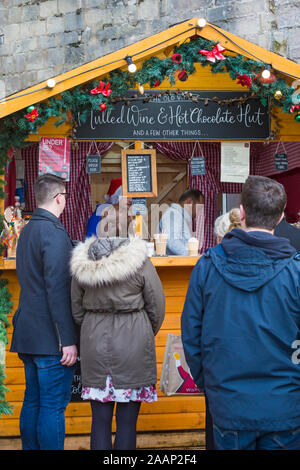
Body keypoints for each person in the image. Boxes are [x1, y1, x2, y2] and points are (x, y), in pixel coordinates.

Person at [181, 175, 300, 450]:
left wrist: (211, 386)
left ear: (242, 212)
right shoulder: (295, 271)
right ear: (281, 216)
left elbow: (191, 337)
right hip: (283, 406)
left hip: (230, 404)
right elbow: (193, 335)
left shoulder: (207, 267)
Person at [70, 235, 165, 450]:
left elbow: (76, 310)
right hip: (134, 344)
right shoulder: (140, 262)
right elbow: (157, 305)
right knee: (127, 423)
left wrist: (91, 331)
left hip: (95, 345)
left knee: (100, 422)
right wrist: (143, 332)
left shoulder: (82, 265)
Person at [10, 173, 78, 450]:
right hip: (50, 337)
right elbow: (57, 290)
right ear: (59, 197)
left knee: (33, 402)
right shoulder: (53, 232)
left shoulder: (26, 230)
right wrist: (68, 339)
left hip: (27, 332)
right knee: (51, 407)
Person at [158, 189, 204, 255]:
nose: (199, 212)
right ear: (189, 202)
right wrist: (194, 257)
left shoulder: (178, 216)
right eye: (199, 207)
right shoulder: (173, 215)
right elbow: (172, 242)